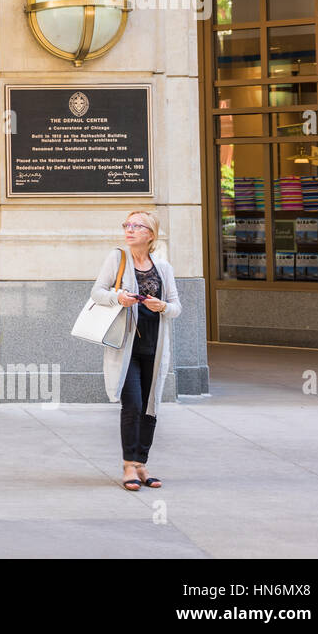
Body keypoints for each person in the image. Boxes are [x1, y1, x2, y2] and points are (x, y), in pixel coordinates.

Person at [90, 210, 182, 491]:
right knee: (132, 404)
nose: (129, 230)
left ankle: (142, 463)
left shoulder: (163, 267)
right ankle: (129, 465)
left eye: (137, 226)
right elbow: (97, 293)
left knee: (150, 407)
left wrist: (163, 306)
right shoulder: (117, 258)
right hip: (126, 347)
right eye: (127, 225)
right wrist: (118, 297)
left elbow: (176, 307)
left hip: (154, 346)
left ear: (150, 234)